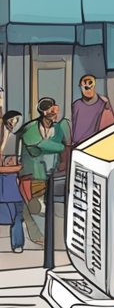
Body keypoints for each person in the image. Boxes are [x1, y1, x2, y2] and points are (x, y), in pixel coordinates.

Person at [18, 98, 70, 249]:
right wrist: (57, 147)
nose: (53, 113)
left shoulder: (58, 129)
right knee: (32, 206)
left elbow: (62, 146)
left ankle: (45, 237)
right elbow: (37, 146)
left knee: (44, 207)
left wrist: (61, 158)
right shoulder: (30, 128)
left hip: (50, 174)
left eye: (54, 109)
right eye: (49, 110)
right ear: (42, 111)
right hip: (30, 174)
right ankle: (38, 236)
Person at [68, 75, 114, 169]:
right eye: (85, 87)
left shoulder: (104, 104)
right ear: (80, 88)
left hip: (95, 148)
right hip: (77, 148)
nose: (88, 89)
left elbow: (110, 126)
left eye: (90, 86)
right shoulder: (76, 105)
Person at [1, 111, 25, 253]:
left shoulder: (19, 139)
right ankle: (17, 244)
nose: (12, 124)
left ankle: (17, 244)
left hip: (14, 182)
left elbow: (21, 165)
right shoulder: (7, 139)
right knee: (15, 214)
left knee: (17, 215)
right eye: (9, 122)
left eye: (15, 121)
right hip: (8, 182)